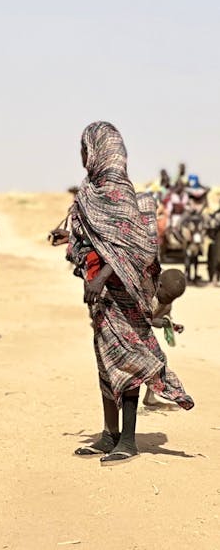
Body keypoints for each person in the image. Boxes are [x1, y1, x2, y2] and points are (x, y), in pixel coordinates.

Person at [68, 121, 193, 466]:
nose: (82, 156)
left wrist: (104, 274)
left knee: (129, 363)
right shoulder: (87, 193)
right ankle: (108, 434)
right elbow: (85, 236)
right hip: (98, 298)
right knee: (105, 365)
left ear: (102, 151)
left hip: (126, 295)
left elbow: (137, 246)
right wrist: (75, 249)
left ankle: (128, 439)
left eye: (85, 149)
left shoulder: (122, 195)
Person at [144, 268, 187, 406]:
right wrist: (157, 322)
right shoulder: (147, 293)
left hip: (145, 335)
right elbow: (143, 318)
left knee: (161, 360)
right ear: (159, 284)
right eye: (167, 296)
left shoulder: (166, 302)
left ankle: (150, 397)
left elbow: (162, 320)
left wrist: (172, 326)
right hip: (132, 331)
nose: (168, 300)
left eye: (172, 299)